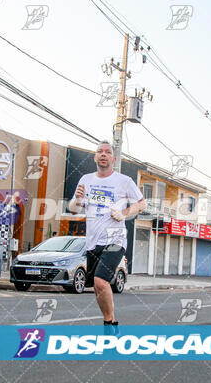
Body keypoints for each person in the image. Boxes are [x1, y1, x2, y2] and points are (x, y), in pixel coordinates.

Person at [68, 141, 146, 328]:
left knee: (101, 281)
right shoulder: (86, 180)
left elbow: (142, 204)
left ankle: (109, 324)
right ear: (95, 157)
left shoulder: (124, 181)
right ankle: (111, 319)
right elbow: (73, 209)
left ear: (113, 158)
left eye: (107, 152)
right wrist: (78, 199)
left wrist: (124, 213)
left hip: (115, 239)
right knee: (96, 286)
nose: (103, 154)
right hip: (93, 242)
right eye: (100, 152)